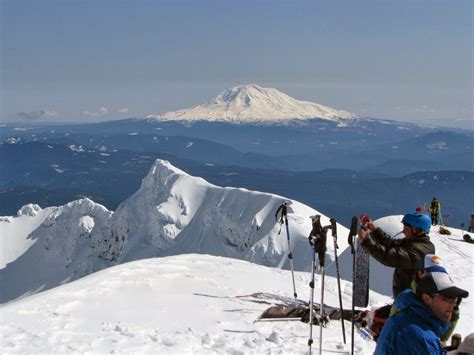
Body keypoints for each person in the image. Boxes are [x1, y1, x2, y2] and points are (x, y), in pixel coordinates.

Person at [375, 270, 469, 354]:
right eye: (447, 298)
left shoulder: (411, 318)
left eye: (456, 299)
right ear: (427, 298)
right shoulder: (420, 335)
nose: (453, 304)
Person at [358, 212, 435, 298]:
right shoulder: (414, 243)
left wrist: (366, 241)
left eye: (406, 229)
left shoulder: (418, 251)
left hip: (411, 302)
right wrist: (374, 230)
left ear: (417, 231)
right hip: (407, 298)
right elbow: (391, 243)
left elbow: (388, 256)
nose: (403, 231)